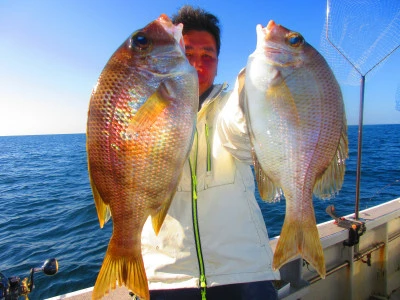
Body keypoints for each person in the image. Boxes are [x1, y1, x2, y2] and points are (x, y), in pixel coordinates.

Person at [140, 5, 280, 300]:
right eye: (187, 53)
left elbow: (242, 134)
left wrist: (259, 77)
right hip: (167, 277)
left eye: (207, 56)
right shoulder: (147, 109)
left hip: (243, 273)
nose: (197, 65)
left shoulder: (231, 105)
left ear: (218, 63)